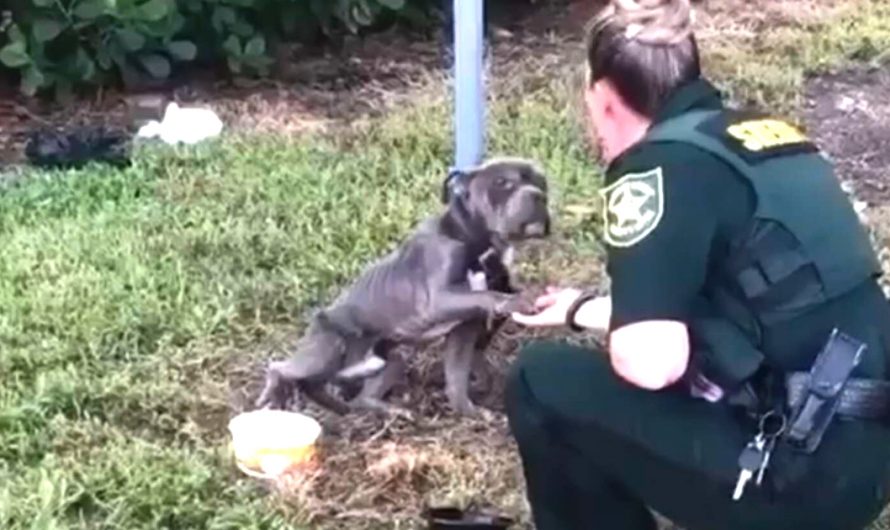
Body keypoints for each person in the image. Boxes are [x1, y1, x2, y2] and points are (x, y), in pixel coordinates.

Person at [504, 0, 890, 529]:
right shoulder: (765, 137)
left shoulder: (654, 168)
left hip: (795, 482)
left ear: (605, 98)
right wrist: (582, 309)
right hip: (865, 459)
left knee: (538, 382)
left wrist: (628, 332)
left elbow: (651, 362)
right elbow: (760, 307)